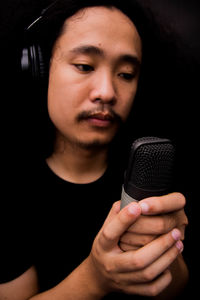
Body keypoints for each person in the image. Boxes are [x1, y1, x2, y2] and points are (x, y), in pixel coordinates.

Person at [0, 0, 189, 299]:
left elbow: (177, 286)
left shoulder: (155, 174)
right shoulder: (8, 188)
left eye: (126, 74)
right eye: (85, 66)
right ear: (39, 68)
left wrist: (167, 254)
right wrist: (95, 279)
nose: (107, 92)